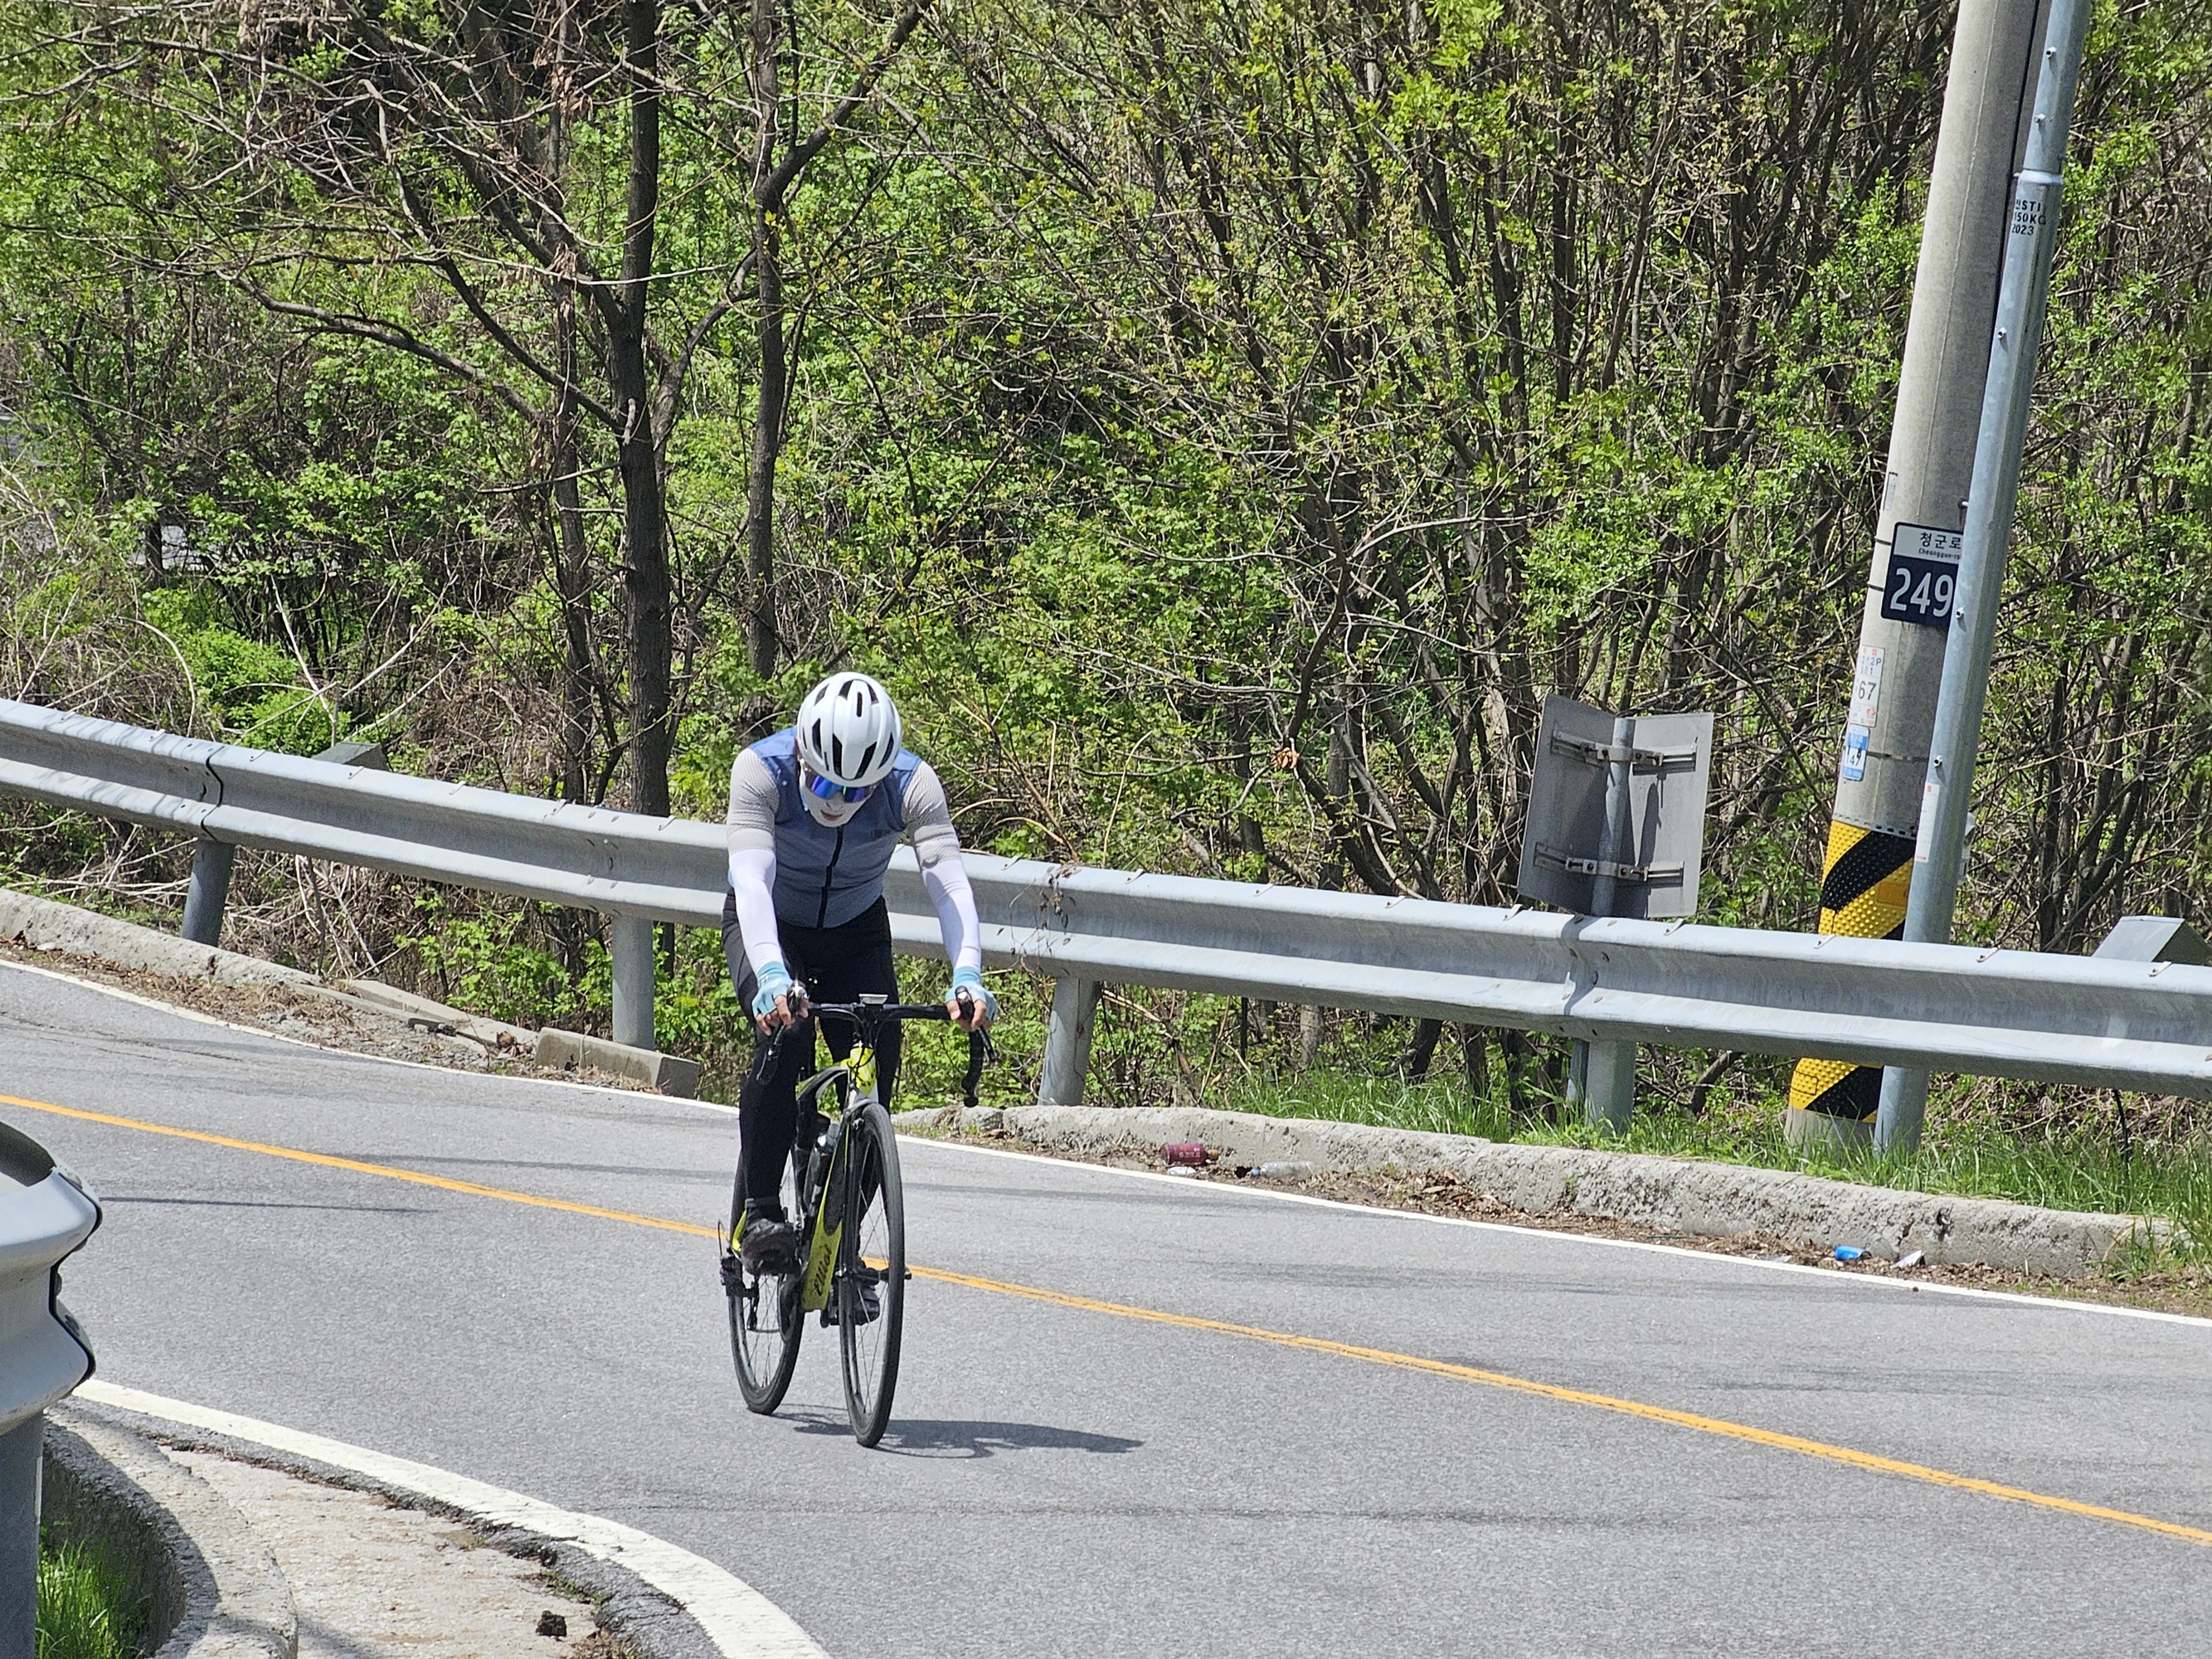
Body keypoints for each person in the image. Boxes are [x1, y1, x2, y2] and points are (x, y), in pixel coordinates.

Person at [722, 672, 994, 1276]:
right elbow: (752, 882)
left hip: (855, 928)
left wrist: (967, 973)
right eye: (824, 783)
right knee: (787, 1034)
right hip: (771, 925)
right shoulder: (760, 771)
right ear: (801, 752)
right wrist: (771, 973)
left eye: (858, 792)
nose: (837, 803)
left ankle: (841, 1253)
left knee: (878, 1060)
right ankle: (761, 1211)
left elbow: (948, 883)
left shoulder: (913, 784)